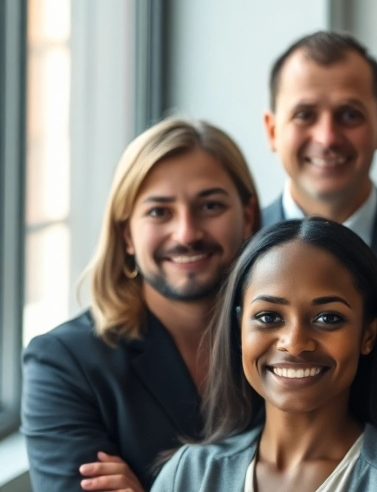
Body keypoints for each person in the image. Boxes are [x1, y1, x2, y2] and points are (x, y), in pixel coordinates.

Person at [22, 118, 259, 492]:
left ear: (247, 217)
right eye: (159, 212)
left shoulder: (288, 339)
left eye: (210, 206)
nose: (187, 233)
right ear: (126, 234)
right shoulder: (64, 363)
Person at [152, 218, 377, 491]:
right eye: (269, 317)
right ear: (239, 329)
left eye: (328, 318)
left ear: (368, 335)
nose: (295, 344)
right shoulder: (188, 474)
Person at [262, 31, 377, 264]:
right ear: (272, 131)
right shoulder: (234, 249)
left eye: (350, 115)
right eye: (304, 115)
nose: (327, 138)